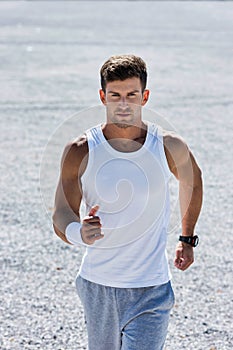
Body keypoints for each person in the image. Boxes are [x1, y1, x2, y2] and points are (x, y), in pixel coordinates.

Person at [52, 54, 203, 350]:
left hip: (152, 287)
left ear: (144, 97)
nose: (124, 104)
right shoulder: (80, 150)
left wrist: (186, 237)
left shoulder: (168, 145)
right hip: (99, 286)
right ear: (103, 97)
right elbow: (60, 213)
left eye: (132, 95)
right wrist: (77, 232)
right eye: (115, 95)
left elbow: (193, 181)